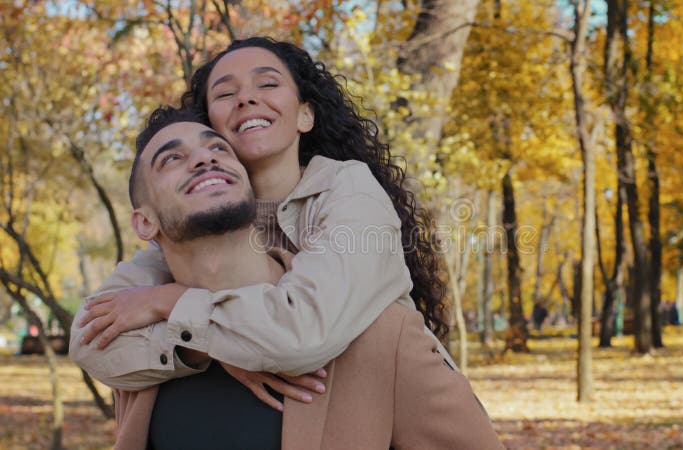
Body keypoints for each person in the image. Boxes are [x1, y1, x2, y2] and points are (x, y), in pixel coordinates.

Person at [70, 37, 456, 407]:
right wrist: (211, 345)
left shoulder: (350, 192)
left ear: (305, 115)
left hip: (414, 415)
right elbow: (89, 339)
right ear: (212, 129)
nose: (247, 98)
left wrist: (169, 302)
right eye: (225, 94)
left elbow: (302, 333)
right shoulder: (207, 224)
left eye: (268, 83)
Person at [98, 106, 502, 449]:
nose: (204, 160)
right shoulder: (142, 339)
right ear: (144, 222)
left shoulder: (382, 335)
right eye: (172, 159)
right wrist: (203, 339)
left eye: (218, 148)